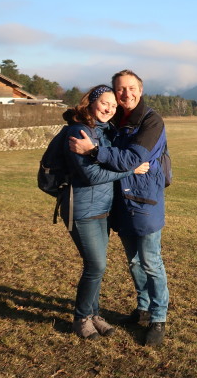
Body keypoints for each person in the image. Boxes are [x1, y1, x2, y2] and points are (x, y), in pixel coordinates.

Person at [69, 70, 170, 346]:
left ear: (141, 88)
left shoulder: (151, 121)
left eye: (131, 88)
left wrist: (93, 151)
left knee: (151, 262)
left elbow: (131, 158)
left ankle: (158, 318)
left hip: (146, 201)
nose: (126, 94)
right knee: (135, 263)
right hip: (120, 203)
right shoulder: (115, 119)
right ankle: (143, 309)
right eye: (120, 89)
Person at [62, 85, 149, 340]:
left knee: (98, 266)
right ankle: (81, 318)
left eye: (114, 106)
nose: (110, 108)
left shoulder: (105, 131)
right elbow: (91, 175)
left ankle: (95, 314)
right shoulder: (79, 131)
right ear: (90, 103)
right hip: (82, 209)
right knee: (95, 265)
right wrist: (130, 170)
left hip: (103, 209)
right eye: (105, 103)